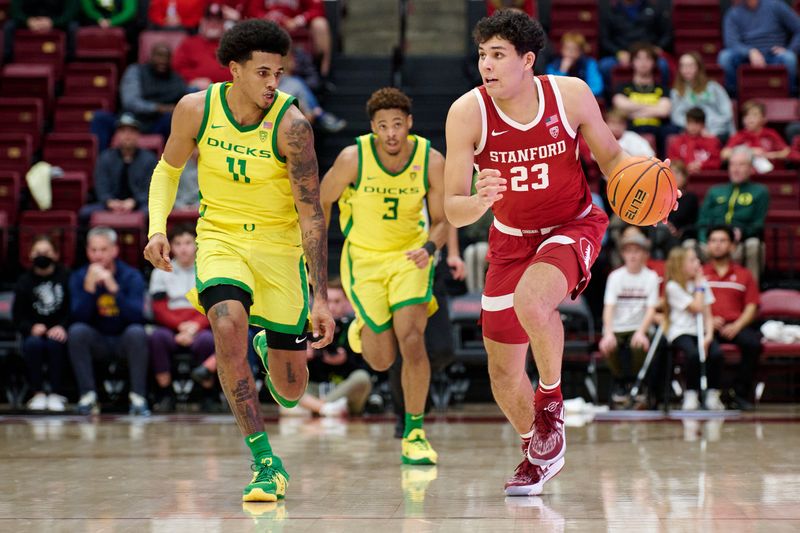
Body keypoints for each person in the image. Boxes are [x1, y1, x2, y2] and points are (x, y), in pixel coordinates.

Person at [443, 11, 653, 496]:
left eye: (498, 55)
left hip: (571, 224)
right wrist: (477, 200)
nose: (487, 66)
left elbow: (614, 158)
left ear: (528, 60)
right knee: (502, 372)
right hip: (509, 238)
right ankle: (537, 447)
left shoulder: (571, 94)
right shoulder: (467, 112)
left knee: (532, 302)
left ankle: (552, 402)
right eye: (482, 56)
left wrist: (651, 186)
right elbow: (452, 208)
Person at [144, 19, 334, 502]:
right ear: (235, 70)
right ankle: (264, 463)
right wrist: (156, 228)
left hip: (278, 248)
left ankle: (274, 347)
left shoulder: (293, 127)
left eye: (280, 72)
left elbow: (312, 215)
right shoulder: (195, 109)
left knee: (291, 391)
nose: (275, 83)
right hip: (221, 239)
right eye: (264, 72)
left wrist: (321, 296)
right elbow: (167, 171)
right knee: (227, 329)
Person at [320, 87, 450, 466]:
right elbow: (321, 199)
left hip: (410, 257)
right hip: (364, 261)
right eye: (383, 126)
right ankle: (363, 326)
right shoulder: (352, 158)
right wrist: (314, 251)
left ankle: (414, 431)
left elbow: (443, 221)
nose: (391, 133)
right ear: (373, 128)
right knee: (380, 360)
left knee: (412, 339)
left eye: (397, 124)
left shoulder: (430, 159)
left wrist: (430, 248)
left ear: (409, 123)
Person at [68, 227, 150, 416]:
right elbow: (77, 317)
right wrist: (89, 290)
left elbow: (137, 316)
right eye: (93, 250)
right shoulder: (79, 277)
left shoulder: (131, 276)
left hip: (123, 340)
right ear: (87, 251)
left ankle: (138, 398)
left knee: (137, 332)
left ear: (115, 250)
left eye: (103, 250)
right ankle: (87, 397)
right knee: (77, 331)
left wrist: (114, 289)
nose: (97, 255)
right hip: (98, 341)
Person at [148, 224, 215, 413]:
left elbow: (210, 305)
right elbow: (158, 308)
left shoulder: (207, 269)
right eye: (178, 243)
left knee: (208, 340)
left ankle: (207, 395)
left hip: (201, 325)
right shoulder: (160, 270)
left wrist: (196, 325)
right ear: (171, 247)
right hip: (171, 327)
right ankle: (165, 394)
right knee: (157, 338)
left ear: (196, 245)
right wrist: (180, 326)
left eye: (188, 243)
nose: (183, 248)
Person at [282, 279, 373, 417]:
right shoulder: (305, 325)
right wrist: (300, 357)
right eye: (328, 301)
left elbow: (369, 369)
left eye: (337, 301)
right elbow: (286, 365)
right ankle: (325, 408)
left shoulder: (354, 327)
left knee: (362, 378)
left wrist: (346, 359)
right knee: (278, 377)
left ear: (347, 303)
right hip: (312, 388)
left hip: (343, 390)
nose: (332, 306)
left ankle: (316, 408)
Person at [703, 225, 762, 411]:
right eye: (713, 241)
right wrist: (708, 321)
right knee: (706, 349)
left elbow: (752, 305)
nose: (718, 245)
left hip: (734, 325)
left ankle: (739, 393)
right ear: (707, 246)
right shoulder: (699, 273)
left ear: (732, 246)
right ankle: (703, 393)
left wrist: (737, 325)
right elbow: (690, 303)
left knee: (753, 343)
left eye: (722, 241)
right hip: (706, 326)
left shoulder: (744, 274)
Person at [599, 232, 659, 407]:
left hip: (639, 326)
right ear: (623, 254)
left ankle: (636, 382)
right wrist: (608, 333)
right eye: (628, 251)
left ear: (644, 254)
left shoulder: (651, 277)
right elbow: (608, 307)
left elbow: (651, 309)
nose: (632, 255)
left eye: (637, 251)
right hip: (617, 326)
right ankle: (620, 382)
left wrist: (641, 332)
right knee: (607, 345)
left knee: (640, 344)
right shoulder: (615, 277)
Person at [12, 237, 71, 412]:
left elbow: (72, 308)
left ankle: (55, 393)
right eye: (37, 253)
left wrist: (63, 326)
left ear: (56, 255)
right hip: (34, 331)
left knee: (55, 343)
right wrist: (31, 328)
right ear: (30, 255)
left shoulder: (66, 276)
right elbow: (17, 316)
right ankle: (37, 393)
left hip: (59, 329)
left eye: (46, 253)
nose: (42, 256)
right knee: (33, 344)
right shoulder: (24, 281)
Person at [663, 247, 725, 411]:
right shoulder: (673, 286)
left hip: (701, 331)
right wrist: (698, 287)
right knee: (693, 354)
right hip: (681, 331)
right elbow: (696, 307)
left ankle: (713, 394)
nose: (698, 263)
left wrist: (709, 336)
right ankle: (691, 394)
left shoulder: (702, 283)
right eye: (692, 260)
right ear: (680, 265)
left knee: (716, 354)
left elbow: (708, 313)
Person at [696, 146, 769, 280]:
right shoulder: (715, 191)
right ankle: (695, 294)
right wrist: (706, 240)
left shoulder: (760, 191)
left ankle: (751, 295)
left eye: (741, 164)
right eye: (733, 164)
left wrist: (741, 234)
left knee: (755, 245)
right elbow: (702, 221)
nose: (736, 169)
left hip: (740, 245)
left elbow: (758, 224)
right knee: (689, 246)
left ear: (751, 168)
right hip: (712, 243)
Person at [79, 114, 157, 224]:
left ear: (138, 135)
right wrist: (109, 202)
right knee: (85, 213)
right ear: (117, 135)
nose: (127, 135)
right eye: (123, 131)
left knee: (152, 213)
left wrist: (134, 202)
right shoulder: (105, 157)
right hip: (110, 203)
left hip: (139, 204)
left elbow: (150, 189)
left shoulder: (149, 159)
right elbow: (101, 186)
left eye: (132, 131)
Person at [718, 0, 800, 96]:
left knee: (789, 58)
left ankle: (789, 97)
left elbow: (798, 28)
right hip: (745, 58)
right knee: (724, 57)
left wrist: (790, 49)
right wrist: (749, 52)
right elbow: (731, 42)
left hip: (774, 55)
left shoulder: (776, 6)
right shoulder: (733, 13)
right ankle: (734, 98)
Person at [245, 0, 333, 79]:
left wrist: (298, 21)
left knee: (320, 24)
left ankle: (324, 73)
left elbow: (317, 9)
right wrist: (277, 20)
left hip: (296, 25)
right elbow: (252, 12)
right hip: (270, 26)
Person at [611, 43, 673, 155]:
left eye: (647, 59)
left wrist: (633, 110)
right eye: (638, 58)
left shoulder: (662, 89)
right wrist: (653, 107)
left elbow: (664, 111)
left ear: (654, 63)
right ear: (633, 62)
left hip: (657, 130)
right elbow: (620, 107)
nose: (643, 63)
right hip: (631, 128)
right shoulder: (623, 87)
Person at [598, 0, 672, 92]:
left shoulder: (653, 7)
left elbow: (666, 34)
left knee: (663, 65)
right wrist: (618, 52)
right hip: (622, 52)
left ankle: (663, 95)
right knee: (604, 66)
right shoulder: (611, 10)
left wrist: (657, 48)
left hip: (648, 53)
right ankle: (610, 101)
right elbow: (605, 40)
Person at [120, 43, 187, 140]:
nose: (163, 60)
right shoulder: (136, 71)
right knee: (100, 118)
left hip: (159, 123)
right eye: (159, 55)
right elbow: (130, 102)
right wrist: (158, 108)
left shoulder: (176, 78)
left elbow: (184, 100)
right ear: (151, 56)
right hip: (134, 120)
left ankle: (169, 155)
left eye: (167, 57)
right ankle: (110, 154)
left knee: (171, 119)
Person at [670, 53, 734, 141]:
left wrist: (712, 129)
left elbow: (727, 112)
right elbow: (676, 117)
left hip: (718, 130)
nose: (686, 69)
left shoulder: (713, 87)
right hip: (691, 132)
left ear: (699, 67)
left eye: (690, 65)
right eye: (683, 66)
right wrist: (695, 128)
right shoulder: (676, 92)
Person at [172, 4, 230, 90]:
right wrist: (193, 79)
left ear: (223, 24)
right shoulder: (189, 43)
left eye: (218, 21)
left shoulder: (231, 44)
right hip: (199, 93)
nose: (213, 24)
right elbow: (178, 67)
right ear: (202, 22)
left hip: (229, 92)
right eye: (209, 20)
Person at [721, 100, 790, 169]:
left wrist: (770, 155)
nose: (749, 119)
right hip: (748, 176)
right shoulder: (739, 136)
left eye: (754, 115)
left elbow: (787, 152)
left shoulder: (771, 133)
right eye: (746, 115)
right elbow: (724, 154)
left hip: (773, 175)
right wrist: (749, 151)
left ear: (764, 119)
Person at [545, 32, 603, 98]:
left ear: (581, 51)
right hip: (562, 100)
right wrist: (563, 70)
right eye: (567, 48)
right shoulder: (553, 65)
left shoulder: (589, 64)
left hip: (583, 99)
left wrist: (577, 95)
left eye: (574, 49)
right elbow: (552, 88)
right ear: (562, 50)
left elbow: (597, 87)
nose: (570, 52)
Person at [666, 107, 722, 173]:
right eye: (690, 122)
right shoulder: (677, 142)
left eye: (696, 123)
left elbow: (717, 162)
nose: (693, 126)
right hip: (682, 178)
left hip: (705, 177)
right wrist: (685, 166)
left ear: (703, 124)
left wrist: (701, 165)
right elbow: (672, 162)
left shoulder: (713, 142)